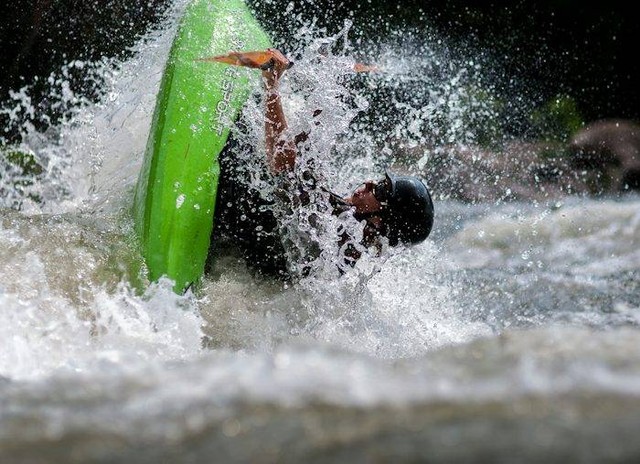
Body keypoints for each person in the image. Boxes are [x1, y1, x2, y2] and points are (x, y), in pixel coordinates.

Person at [206, 49, 434, 279]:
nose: (368, 183)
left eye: (381, 190)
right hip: (246, 242)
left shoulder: (333, 236)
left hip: (230, 224)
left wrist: (271, 82)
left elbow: (283, 163)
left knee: (245, 143)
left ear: (380, 221)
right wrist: (327, 92)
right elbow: (303, 160)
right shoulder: (349, 238)